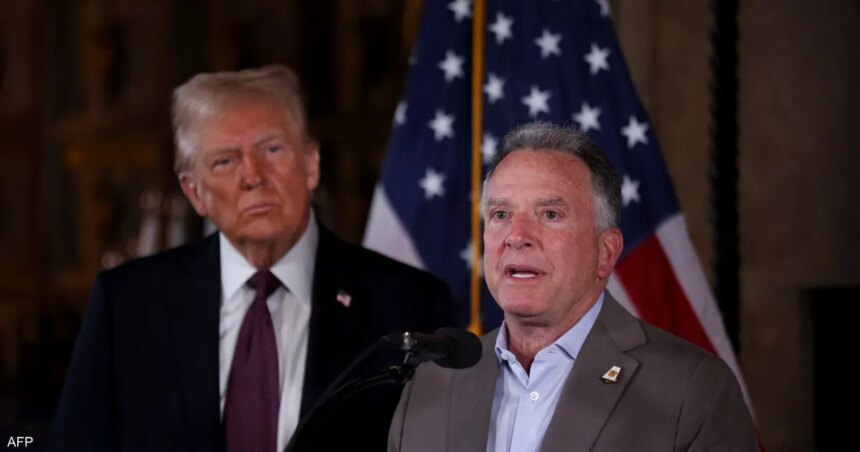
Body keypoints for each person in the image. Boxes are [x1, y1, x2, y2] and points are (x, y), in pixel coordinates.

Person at [51, 65, 455, 452]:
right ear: (194, 192)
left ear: (311, 165)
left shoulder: (408, 305)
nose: (253, 176)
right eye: (225, 160)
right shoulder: (128, 307)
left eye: (272, 149)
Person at [388, 122, 758, 452]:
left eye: (550, 214)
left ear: (606, 252)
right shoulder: (430, 386)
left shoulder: (691, 391)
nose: (517, 236)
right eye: (501, 214)